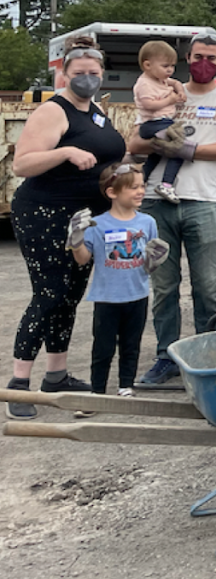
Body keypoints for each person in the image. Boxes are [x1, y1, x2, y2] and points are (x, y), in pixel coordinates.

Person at [6, 36, 126, 420]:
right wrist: (65, 152)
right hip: (45, 212)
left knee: (70, 295)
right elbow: (22, 164)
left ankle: (56, 375)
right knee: (50, 293)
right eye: (79, 73)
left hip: (85, 216)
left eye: (94, 72)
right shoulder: (53, 111)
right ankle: (18, 384)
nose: (87, 78)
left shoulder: (96, 111)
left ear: (102, 73)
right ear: (63, 73)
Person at [130, 31, 216, 384]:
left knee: (208, 285)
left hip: (205, 201)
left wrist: (188, 151)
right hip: (156, 201)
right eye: (197, 57)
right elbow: (135, 141)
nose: (203, 63)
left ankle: (207, 355)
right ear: (187, 59)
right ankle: (166, 356)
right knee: (164, 287)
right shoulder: (165, 90)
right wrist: (160, 146)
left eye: (211, 58)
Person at [68, 165, 170, 412]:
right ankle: (97, 393)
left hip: (138, 295)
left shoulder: (147, 222)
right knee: (102, 348)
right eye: (133, 187)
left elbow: (149, 261)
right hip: (107, 297)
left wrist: (154, 261)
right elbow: (82, 259)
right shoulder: (97, 224)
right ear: (112, 192)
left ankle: (126, 386)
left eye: (142, 186)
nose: (140, 191)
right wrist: (76, 239)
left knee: (131, 345)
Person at [133, 40, 190, 203]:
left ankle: (141, 180)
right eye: (165, 66)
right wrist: (170, 100)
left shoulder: (161, 79)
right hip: (153, 123)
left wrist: (180, 92)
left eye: (172, 66)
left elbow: (176, 82)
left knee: (156, 155)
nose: (170, 70)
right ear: (148, 65)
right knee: (179, 148)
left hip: (161, 122)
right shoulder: (144, 83)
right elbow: (149, 105)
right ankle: (166, 184)